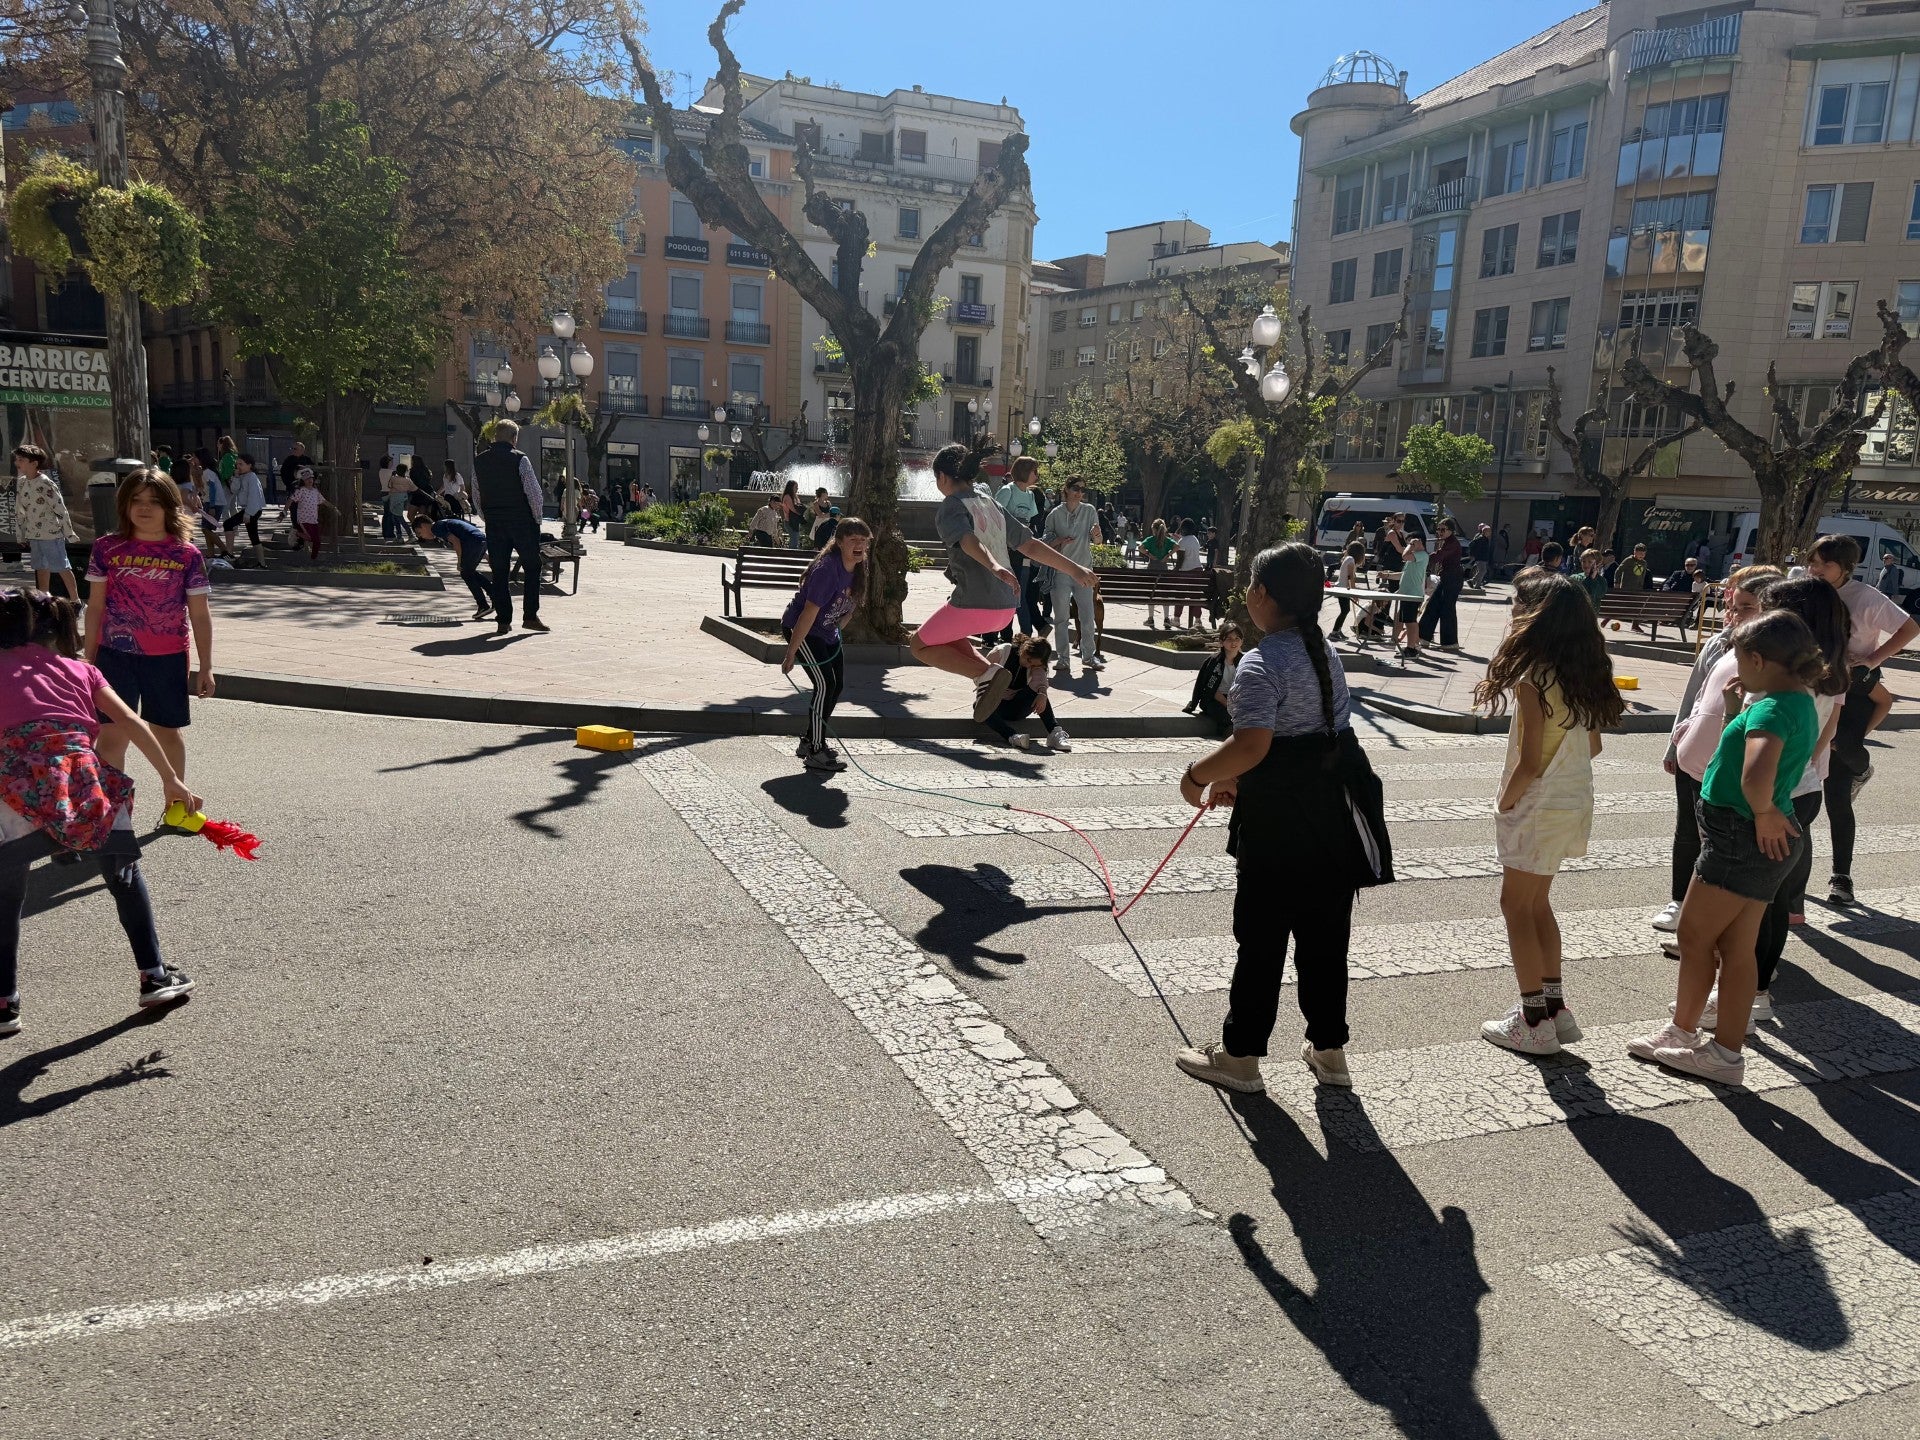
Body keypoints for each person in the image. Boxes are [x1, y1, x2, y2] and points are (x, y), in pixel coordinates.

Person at [1172, 541, 1391, 1093]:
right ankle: (1329, 1050)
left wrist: (1196, 775)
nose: (1247, 592)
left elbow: (1252, 744)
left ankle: (1241, 1057)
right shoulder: (1325, 653)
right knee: (1325, 941)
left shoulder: (1261, 661)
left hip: (1280, 824)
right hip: (1332, 817)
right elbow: (1306, 742)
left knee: (1263, 940)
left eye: (1250, 582)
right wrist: (1240, 775)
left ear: (1264, 596)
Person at [1629, 611, 1826, 1085]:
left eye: (1739, 658)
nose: (1736, 667)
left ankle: (1687, 1036)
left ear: (1758, 660)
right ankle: (1721, 1052)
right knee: (1737, 948)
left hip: (1739, 837)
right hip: (1752, 839)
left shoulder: (1772, 709)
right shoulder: (1795, 699)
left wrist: (1762, 810)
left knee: (1695, 939)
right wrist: (1738, 716)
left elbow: (1757, 773)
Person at [0, 588, 200, 1036]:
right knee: (124, 877)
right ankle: (154, 975)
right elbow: (132, 722)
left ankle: (4, 1002)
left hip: (12, 789)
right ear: (59, 630)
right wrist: (172, 779)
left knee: (7, 896)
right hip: (83, 781)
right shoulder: (82, 670)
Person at [1473, 570, 1624, 1055]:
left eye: (1520, 602)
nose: (1514, 608)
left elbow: (1531, 760)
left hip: (1537, 804)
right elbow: (1593, 746)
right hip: (1572, 800)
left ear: (1540, 616)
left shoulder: (1533, 677)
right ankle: (1555, 1009)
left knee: (1516, 906)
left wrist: (1505, 801)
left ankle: (1532, 1019)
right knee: (1538, 904)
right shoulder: (1582, 670)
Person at [910, 444, 1094, 722]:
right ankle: (991, 678)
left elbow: (967, 540)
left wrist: (994, 566)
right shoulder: (989, 501)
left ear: (942, 477)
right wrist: (1075, 568)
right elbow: (1029, 545)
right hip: (1006, 607)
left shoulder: (952, 505)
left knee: (918, 644)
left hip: (975, 604)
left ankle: (986, 674)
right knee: (948, 633)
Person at [1653, 566, 1780, 934]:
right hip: (1692, 756)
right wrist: (1673, 745)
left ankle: (1709, 917)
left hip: (1725, 766)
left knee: (1719, 842)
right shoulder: (1719, 644)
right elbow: (1694, 698)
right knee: (1687, 830)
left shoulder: (1770, 658)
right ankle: (1680, 900)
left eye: (1747, 607)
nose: (1735, 614)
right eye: (1735, 606)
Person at [1746, 579, 1849, 1018]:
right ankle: (1757, 986)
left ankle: (1752, 991)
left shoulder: (1786, 682)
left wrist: (1765, 803)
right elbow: (1826, 735)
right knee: (1772, 897)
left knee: (1757, 900)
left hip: (1775, 794)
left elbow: (1760, 755)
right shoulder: (1831, 671)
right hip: (1805, 786)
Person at [83, 469, 215, 790]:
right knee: (112, 735)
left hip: (167, 658)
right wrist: (88, 661)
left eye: (154, 501)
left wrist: (206, 667)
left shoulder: (186, 554)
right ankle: (112, 810)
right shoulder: (106, 548)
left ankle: (176, 802)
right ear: (124, 505)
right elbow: (95, 607)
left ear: (170, 506)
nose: (144, 508)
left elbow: (199, 615)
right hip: (113, 656)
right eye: (136, 500)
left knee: (167, 732)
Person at [1806, 532, 1917, 904]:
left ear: (1846, 567)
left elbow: (1910, 628)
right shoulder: (1807, 589)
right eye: (1813, 562)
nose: (1816, 569)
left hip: (1853, 685)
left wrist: (1872, 660)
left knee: (1838, 785)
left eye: (1825, 564)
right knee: (1799, 784)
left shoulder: (1866, 597)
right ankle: (1788, 878)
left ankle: (1841, 877)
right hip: (1810, 687)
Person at [781, 518, 872, 772]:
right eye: (853, 540)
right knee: (824, 684)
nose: (859, 545)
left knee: (837, 684)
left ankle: (810, 740)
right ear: (840, 542)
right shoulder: (827, 570)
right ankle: (815, 750)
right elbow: (808, 614)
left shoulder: (860, 566)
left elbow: (850, 608)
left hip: (827, 631)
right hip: (803, 629)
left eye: (863, 541)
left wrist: (836, 631)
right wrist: (791, 652)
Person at [472, 420, 549, 636]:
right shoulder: (520, 459)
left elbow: (477, 495)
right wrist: (537, 519)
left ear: (495, 436)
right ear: (514, 438)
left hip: (495, 524)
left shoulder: (479, 461)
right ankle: (530, 616)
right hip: (522, 522)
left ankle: (503, 621)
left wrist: (487, 517)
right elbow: (534, 494)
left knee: (500, 572)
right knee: (533, 567)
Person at [1044, 477, 1104, 676]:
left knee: (1087, 616)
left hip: (1083, 571)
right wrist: (1059, 540)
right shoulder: (1055, 514)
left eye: (1082, 489)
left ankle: (1089, 656)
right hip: (1061, 571)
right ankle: (1063, 659)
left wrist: (1097, 535)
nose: (1079, 492)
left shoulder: (1089, 511)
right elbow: (1045, 542)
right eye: (1075, 488)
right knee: (1061, 618)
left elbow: (1098, 541)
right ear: (1066, 490)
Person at [13, 444, 79, 604]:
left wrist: (68, 532)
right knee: (40, 566)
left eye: (21, 460)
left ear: (34, 463)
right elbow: (19, 509)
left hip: (51, 533)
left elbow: (60, 508)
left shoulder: (45, 483)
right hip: (33, 532)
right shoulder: (21, 482)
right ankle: (44, 599)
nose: (17, 463)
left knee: (61, 566)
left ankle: (75, 600)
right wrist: (20, 533)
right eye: (17, 460)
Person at [982, 636, 1070, 751]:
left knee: (1039, 693)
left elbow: (1041, 681)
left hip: (1016, 707)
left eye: (1033, 665)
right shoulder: (1002, 651)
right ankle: (1012, 736)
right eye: (1028, 660)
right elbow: (981, 675)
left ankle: (1054, 732)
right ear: (1024, 649)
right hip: (995, 705)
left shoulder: (1035, 664)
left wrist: (1042, 694)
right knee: (979, 707)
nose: (1028, 665)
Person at [412, 511, 493, 621]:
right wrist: (487, 557)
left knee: (466, 573)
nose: (423, 537)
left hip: (473, 542)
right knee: (469, 572)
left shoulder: (436, 528)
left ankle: (483, 605)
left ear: (423, 526)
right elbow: (470, 536)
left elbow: (456, 541)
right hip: (481, 540)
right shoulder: (443, 523)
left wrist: (459, 562)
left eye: (420, 533)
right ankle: (495, 596)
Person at [993, 457, 1042, 638]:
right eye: (1034, 471)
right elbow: (995, 516)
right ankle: (1004, 634)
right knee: (1007, 592)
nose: (1037, 475)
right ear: (1024, 471)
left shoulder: (1030, 495)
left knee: (1019, 592)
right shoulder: (1008, 490)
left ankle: (1025, 635)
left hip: (1022, 550)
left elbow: (1031, 522)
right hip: (1006, 550)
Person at [1185, 624, 1243, 737]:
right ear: (1221, 641)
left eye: (1237, 638)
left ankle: (1229, 731)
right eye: (1229, 639)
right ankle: (1230, 731)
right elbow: (1201, 683)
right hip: (1215, 698)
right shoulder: (1213, 661)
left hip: (1236, 699)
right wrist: (1193, 704)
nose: (1233, 642)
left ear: (1241, 641)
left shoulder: (1245, 662)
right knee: (1223, 714)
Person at [1418, 517, 1465, 650]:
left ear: (1451, 530)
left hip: (1453, 579)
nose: (1439, 532)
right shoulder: (1446, 541)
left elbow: (1439, 556)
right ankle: (1423, 637)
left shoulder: (1452, 543)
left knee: (1447, 609)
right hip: (1446, 578)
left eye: (1443, 529)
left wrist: (1421, 556)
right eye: (1438, 529)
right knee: (1433, 605)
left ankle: (1450, 643)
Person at [220, 452, 267, 551]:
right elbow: (234, 490)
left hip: (253, 510)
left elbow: (253, 496)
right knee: (253, 536)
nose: (238, 467)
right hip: (247, 509)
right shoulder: (241, 476)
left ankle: (229, 552)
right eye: (237, 464)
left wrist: (248, 513)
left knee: (228, 524)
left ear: (249, 465)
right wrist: (236, 477)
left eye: (241, 464)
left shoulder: (252, 477)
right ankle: (261, 563)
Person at [1393, 530, 1428, 658]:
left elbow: (1404, 555)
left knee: (1410, 622)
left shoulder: (1422, 555)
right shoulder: (1415, 556)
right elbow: (1405, 575)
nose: (1409, 545)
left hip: (1413, 594)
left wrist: (1411, 545)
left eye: (1412, 541)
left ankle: (1411, 648)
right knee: (1407, 620)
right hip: (1406, 594)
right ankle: (1412, 645)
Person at [1140, 518, 1177, 629]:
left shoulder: (1150, 540)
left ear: (1154, 529)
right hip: (1163, 569)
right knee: (1165, 593)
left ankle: (1151, 618)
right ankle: (1166, 619)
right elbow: (1177, 547)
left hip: (1152, 568)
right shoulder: (1167, 540)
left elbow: (1140, 547)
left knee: (1151, 593)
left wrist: (1149, 555)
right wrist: (1167, 555)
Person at [1174, 518, 1207, 631]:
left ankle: (1177, 618)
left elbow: (1180, 560)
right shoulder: (1195, 539)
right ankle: (1197, 619)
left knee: (1180, 595)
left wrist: (1175, 570)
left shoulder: (1182, 541)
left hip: (1186, 571)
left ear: (1182, 528)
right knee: (1195, 595)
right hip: (1197, 569)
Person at [1330, 539, 1365, 639]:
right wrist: (1354, 592)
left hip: (1344, 588)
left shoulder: (1349, 559)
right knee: (1345, 610)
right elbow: (1350, 577)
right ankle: (1334, 631)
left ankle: (1338, 630)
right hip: (1343, 589)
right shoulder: (1350, 560)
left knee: (1345, 610)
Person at [291, 467, 325, 559]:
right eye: (307, 479)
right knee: (310, 538)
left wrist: (333, 507)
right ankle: (297, 533)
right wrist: (284, 511)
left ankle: (313, 559)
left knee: (317, 541)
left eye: (311, 478)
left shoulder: (315, 491)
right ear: (303, 481)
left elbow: (323, 501)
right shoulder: (301, 490)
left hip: (313, 519)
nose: (310, 480)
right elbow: (291, 499)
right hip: (303, 519)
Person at [278, 442, 307, 508]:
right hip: (292, 488)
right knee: (293, 508)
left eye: (295, 449)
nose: (293, 450)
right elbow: (283, 473)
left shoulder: (307, 460)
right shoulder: (288, 460)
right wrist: (288, 484)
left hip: (305, 489)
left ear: (302, 450)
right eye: (292, 448)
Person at [1466, 523, 1493, 589]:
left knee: (1482, 571)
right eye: (1489, 531)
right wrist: (1473, 554)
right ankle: (1473, 581)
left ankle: (1476, 584)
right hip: (1480, 558)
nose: (1490, 533)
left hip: (1483, 558)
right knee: (1482, 571)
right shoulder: (1481, 538)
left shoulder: (1485, 539)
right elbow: (1471, 544)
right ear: (1485, 532)